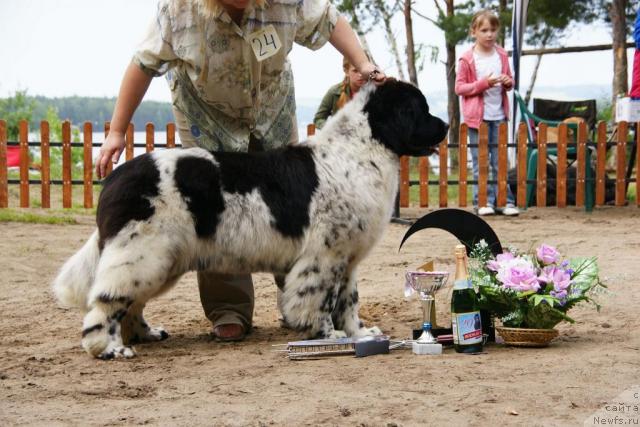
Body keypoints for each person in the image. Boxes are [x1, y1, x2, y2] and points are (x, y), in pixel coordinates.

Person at [95, 0, 386, 342]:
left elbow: (330, 20)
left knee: (296, 212)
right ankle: (229, 309)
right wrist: (116, 131)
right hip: (207, 121)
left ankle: (308, 309)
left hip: (271, 115)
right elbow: (142, 65)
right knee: (215, 218)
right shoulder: (176, 11)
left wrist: (364, 63)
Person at [455, 9, 519, 217]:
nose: (489, 34)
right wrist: (484, 83)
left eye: (493, 30)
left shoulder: (501, 55)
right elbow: (460, 88)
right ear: (474, 32)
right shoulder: (467, 59)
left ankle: (505, 201)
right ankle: (483, 201)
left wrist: (509, 83)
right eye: (484, 30)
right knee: (481, 161)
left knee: (500, 161)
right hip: (477, 119)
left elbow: (509, 79)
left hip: (499, 115)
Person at [313, 56, 367, 129]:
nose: (360, 75)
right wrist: (333, 128)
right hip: (340, 138)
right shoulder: (334, 92)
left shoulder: (376, 92)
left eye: (362, 70)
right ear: (346, 71)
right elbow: (318, 119)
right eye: (355, 71)